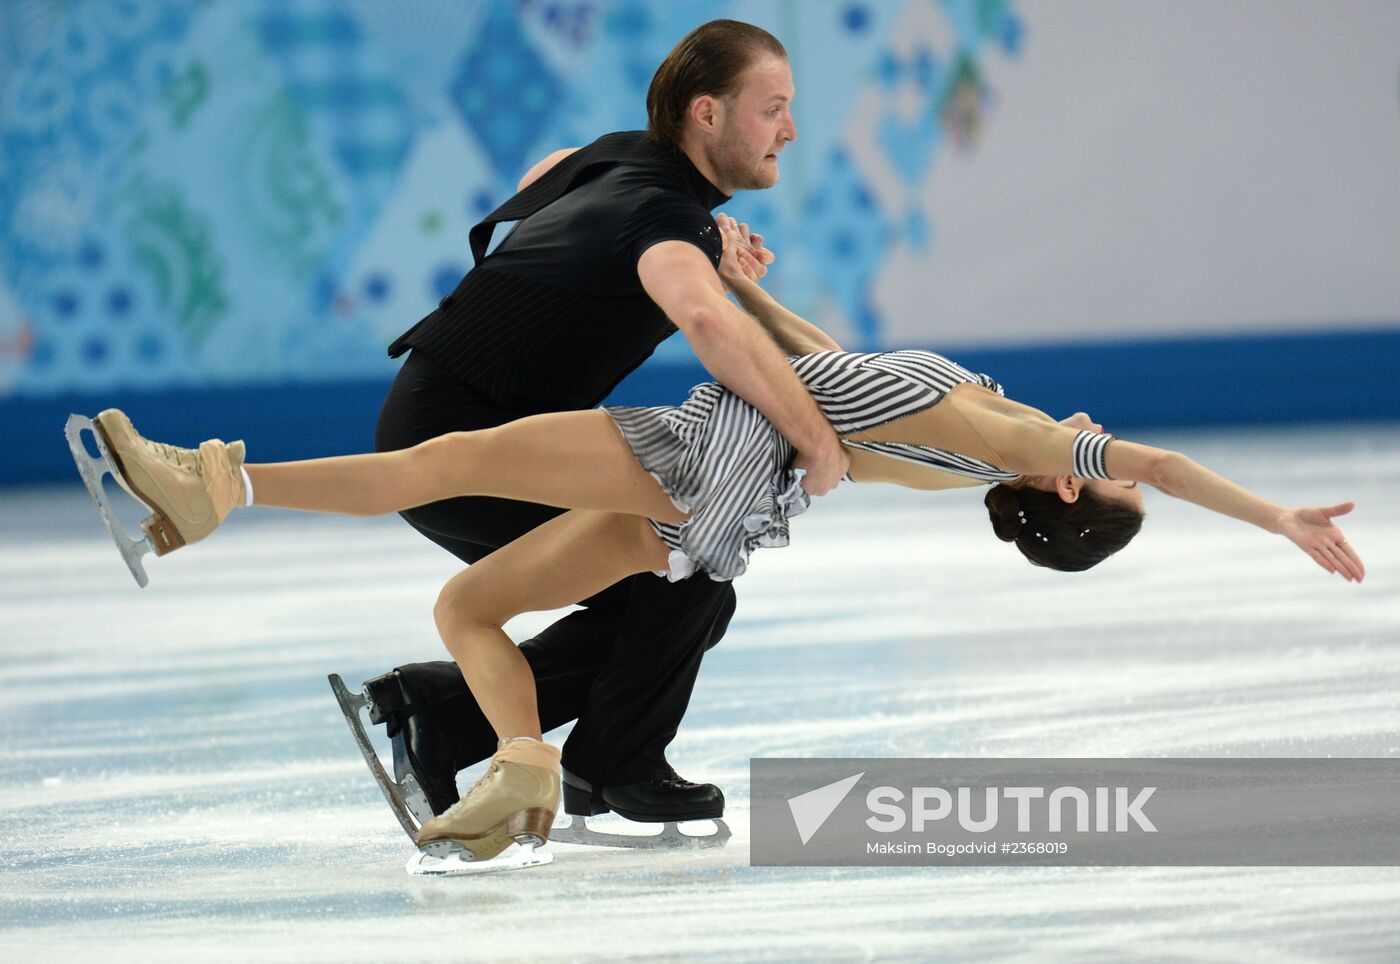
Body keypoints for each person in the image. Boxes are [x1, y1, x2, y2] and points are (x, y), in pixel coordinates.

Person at [85, 213, 1364, 861]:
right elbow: (812, 358)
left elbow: (1160, 462)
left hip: (699, 460)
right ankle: (526, 760)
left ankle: (213, 490)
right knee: (467, 606)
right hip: (712, 516)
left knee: (453, 457)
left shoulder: (1017, 444)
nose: (1102, 442)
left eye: (1105, 472)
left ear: (1077, 494)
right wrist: (727, 270)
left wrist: (1274, 517)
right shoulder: (970, 425)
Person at [358, 19, 846, 825]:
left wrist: (707, 257)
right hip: (464, 444)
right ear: (707, 114)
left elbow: (544, 174)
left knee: (676, 601)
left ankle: (440, 715)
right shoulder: (664, 209)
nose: (789, 129)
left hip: (450, 423)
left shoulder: (621, 157)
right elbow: (705, 322)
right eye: (773, 108)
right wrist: (814, 436)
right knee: (682, 562)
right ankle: (610, 762)